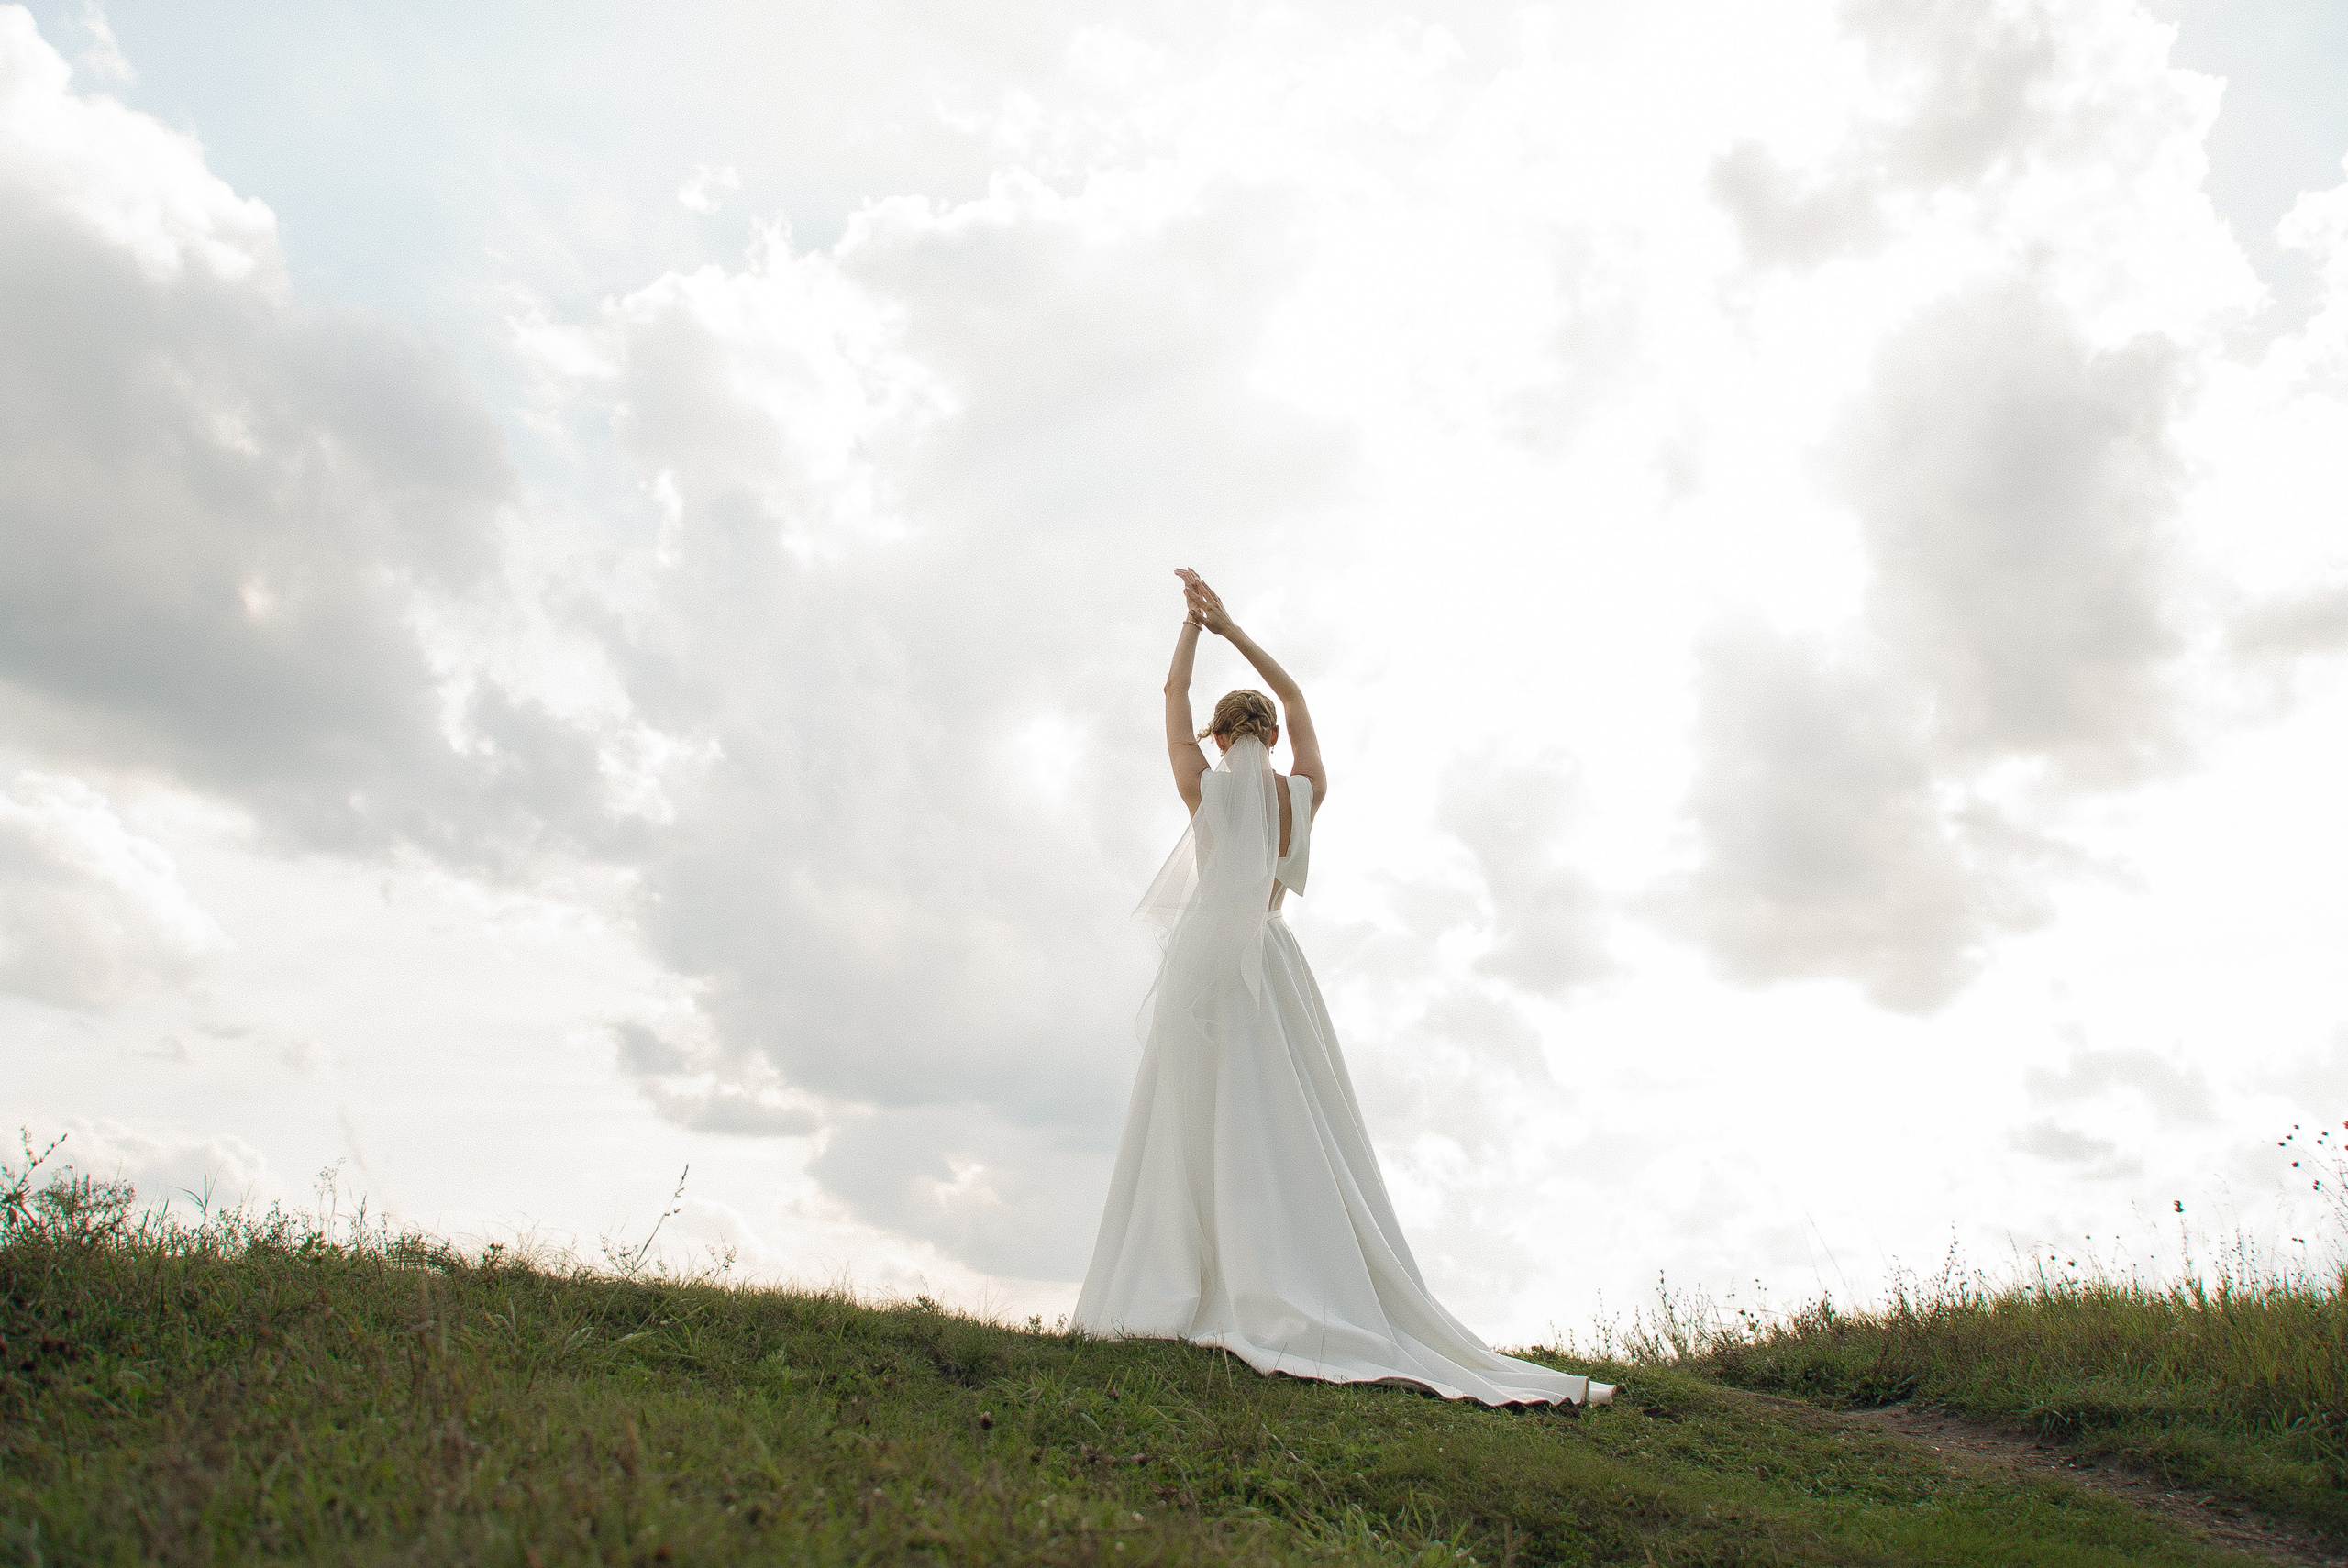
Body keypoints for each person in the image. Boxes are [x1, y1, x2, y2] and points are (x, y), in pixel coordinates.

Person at [1072, 569, 1614, 1408]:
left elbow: (1171, 694)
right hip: (1273, 963)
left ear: (1219, 735)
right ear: (1272, 734)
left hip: (1208, 974)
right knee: (1285, 1119)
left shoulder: (1202, 790)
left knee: (1195, 1120)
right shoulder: (1303, 794)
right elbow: (1296, 694)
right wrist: (1234, 629)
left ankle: (1198, 1277)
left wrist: (1192, 629)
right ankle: (1286, 1270)